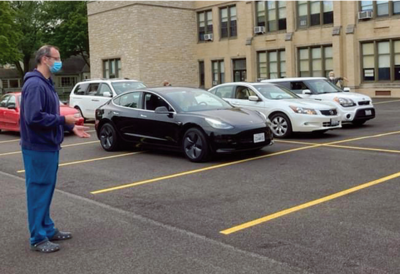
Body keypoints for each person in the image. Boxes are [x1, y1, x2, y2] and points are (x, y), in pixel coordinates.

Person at [20, 45, 91, 253]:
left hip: (48, 145)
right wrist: (63, 119)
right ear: (44, 59)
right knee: (38, 191)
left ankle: (47, 229)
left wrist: (70, 126)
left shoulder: (46, 83)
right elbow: (33, 118)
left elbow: (48, 113)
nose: (59, 62)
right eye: (56, 58)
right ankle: (38, 238)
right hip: (38, 147)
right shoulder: (35, 85)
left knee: (45, 190)